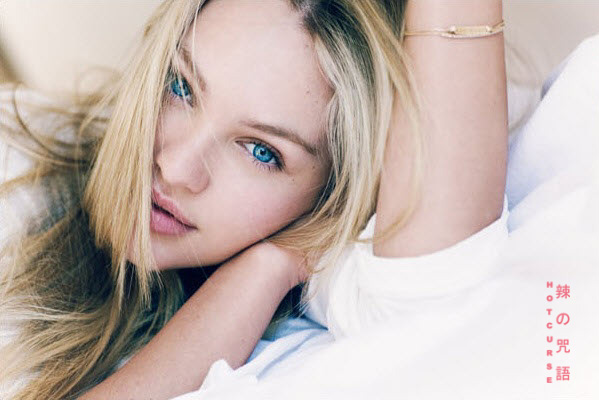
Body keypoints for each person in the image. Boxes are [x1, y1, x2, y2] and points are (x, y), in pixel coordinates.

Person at [0, 0, 513, 398]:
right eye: (180, 86)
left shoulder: (305, 298)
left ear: (327, 198)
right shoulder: (12, 161)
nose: (176, 169)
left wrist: (266, 269)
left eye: (261, 152)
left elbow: (430, 284)